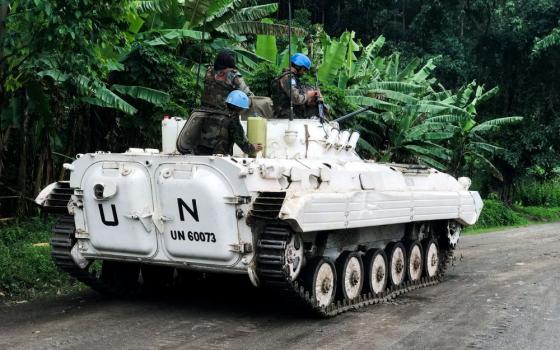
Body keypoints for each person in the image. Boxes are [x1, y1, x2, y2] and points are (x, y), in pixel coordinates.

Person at [177, 90, 262, 156]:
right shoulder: (232, 120)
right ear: (240, 108)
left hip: (198, 154)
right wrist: (252, 148)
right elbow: (243, 144)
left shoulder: (213, 113)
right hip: (218, 158)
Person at [271, 53, 322, 119]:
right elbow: (296, 98)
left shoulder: (292, 78)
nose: (304, 73)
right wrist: (308, 95)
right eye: (304, 70)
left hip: (291, 115)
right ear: (299, 67)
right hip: (285, 116)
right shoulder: (288, 78)